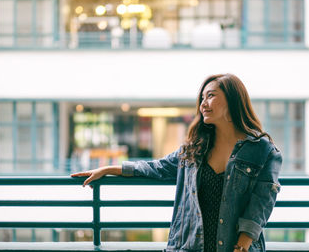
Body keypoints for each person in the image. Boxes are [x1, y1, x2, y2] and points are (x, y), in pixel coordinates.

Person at [71, 74, 282, 252]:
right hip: (189, 246)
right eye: (202, 98)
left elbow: (263, 200)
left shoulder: (262, 150)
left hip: (235, 247)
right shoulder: (195, 148)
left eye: (211, 96)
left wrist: (244, 242)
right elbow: (157, 167)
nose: (203, 104)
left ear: (232, 100)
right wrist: (110, 169)